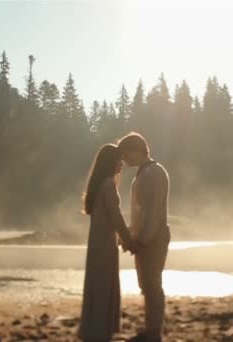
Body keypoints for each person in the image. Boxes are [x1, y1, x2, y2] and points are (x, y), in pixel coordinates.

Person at [78, 143, 137, 342]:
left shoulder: (97, 185)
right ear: (111, 162)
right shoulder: (109, 185)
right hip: (104, 245)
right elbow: (116, 216)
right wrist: (128, 239)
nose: (122, 165)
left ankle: (93, 329)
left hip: (96, 243)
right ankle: (100, 332)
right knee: (104, 285)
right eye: (119, 160)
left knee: (96, 284)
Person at [118, 132, 170, 342]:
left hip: (154, 238)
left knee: (152, 284)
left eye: (125, 154)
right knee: (147, 284)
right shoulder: (145, 172)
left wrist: (142, 240)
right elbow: (141, 212)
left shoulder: (154, 173)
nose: (124, 160)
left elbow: (154, 212)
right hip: (147, 237)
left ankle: (154, 333)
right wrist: (131, 234)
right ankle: (151, 330)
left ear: (137, 150)